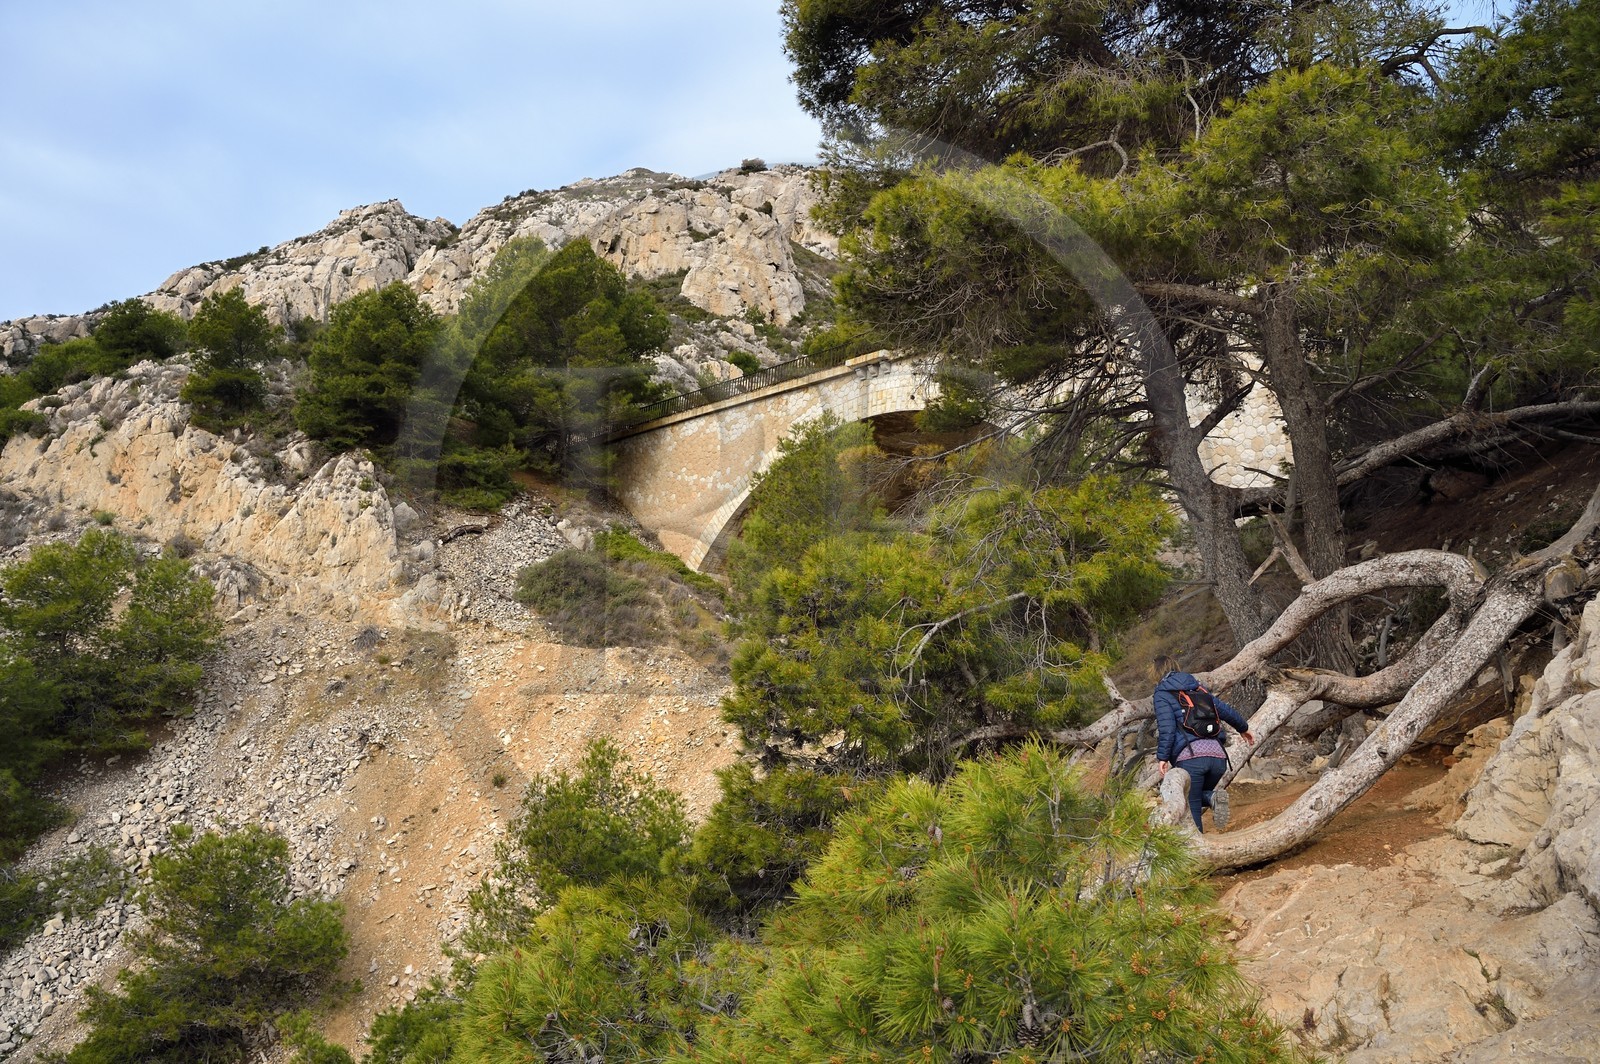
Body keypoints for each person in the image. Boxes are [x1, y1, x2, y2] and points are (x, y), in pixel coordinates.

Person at [1152, 654, 1253, 832]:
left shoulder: (1162, 693)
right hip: (1218, 757)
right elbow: (1224, 710)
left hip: (1191, 757)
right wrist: (1243, 728)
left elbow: (1166, 727)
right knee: (1194, 796)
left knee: (1191, 807)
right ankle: (1212, 797)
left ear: (1156, 673)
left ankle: (1198, 854)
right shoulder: (1198, 688)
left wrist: (1162, 757)